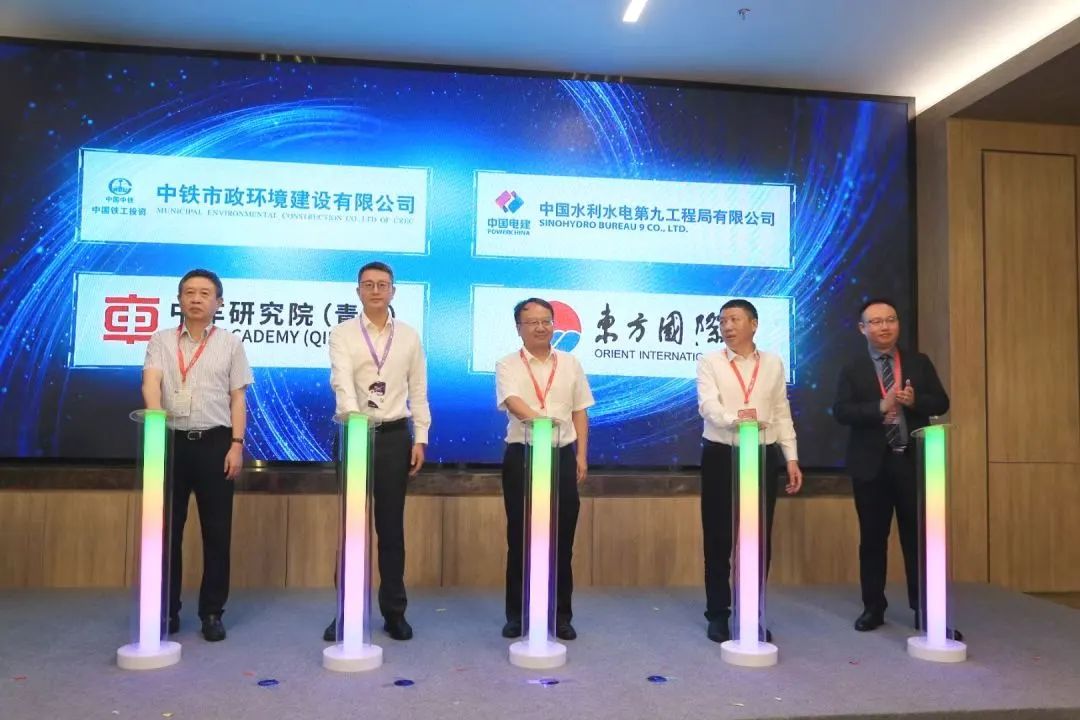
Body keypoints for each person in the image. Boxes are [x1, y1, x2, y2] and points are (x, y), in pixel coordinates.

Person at [142, 268, 253, 642]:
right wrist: (155, 423)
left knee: (216, 533)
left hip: (215, 444)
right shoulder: (160, 340)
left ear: (218, 302)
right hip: (171, 442)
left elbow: (238, 398)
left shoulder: (230, 344)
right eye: (189, 292)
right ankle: (166, 611)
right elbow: (150, 383)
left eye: (205, 293)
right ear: (179, 300)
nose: (196, 299)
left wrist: (236, 444)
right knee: (166, 532)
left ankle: (212, 612)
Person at [833, 297, 953, 635]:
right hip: (871, 465)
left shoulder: (918, 362)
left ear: (898, 324)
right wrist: (878, 407)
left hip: (912, 462)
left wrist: (916, 402)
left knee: (919, 539)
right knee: (873, 540)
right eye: (876, 322)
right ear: (862, 329)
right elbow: (841, 411)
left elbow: (942, 402)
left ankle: (925, 610)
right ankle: (873, 607)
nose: (884, 327)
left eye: (890, 320)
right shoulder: (853, 368)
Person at [325, 261, 430, 642]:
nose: (374, 290)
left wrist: (421, 437)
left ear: (392, 291)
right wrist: (355, 422)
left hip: (394, 436)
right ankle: (347, 613)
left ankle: (394, 612)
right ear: (358, 292)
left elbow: (418, 388)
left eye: (382, 284)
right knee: (352, 528)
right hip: (354, 434)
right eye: (367, 285)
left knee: (391, 529)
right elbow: (341, 381)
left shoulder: (409, 336)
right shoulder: (342, 334)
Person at [696, 298, 803, 643]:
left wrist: (790, 456)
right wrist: (739, 421)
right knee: (718, 538)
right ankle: (718, 614)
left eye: (734, 319)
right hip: (721, 454)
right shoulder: (710, 361)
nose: (727, 326)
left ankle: (752, 613)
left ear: (753, 324)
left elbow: (781, 411)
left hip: (762, 454)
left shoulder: (773, 363)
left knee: (758, 538)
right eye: (722, 321)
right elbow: (707, 406)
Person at [495, 298, 593, 641]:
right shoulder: (507, 364)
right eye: (532, 322)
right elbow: (512, 401)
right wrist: (541, 422)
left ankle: (560, 615)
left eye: (546, 321)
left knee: (561, 540)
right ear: (519, 328)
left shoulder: (570, 363)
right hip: (523, 454)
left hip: (561, 455)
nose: (540, 327)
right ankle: (517, 615)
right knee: (520, 538)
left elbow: (580, 410)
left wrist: (581, 455)